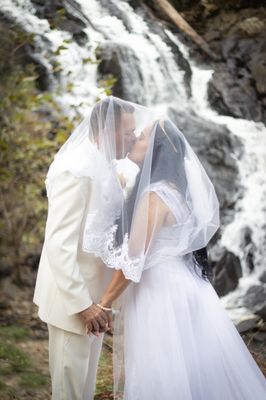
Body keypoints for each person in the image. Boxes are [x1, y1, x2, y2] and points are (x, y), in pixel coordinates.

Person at [82, 112, 266, 399]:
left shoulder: (154, 195)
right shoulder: (174, 190)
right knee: (191, 374)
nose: (134, 139)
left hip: (161, 295)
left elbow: (134, 261)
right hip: (185, 287)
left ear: (157, 149)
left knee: (163, 375)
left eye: (141, 136)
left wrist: (103, 305)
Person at [33, 96, 143, 399]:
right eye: (128, 131)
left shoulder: (102, 164)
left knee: (84, 389)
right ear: (106, 130)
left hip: (96, 302)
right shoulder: (77, 169)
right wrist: (83, 305)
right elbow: (59, 243)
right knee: (69, 390)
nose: (134, 138)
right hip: (74, 303)